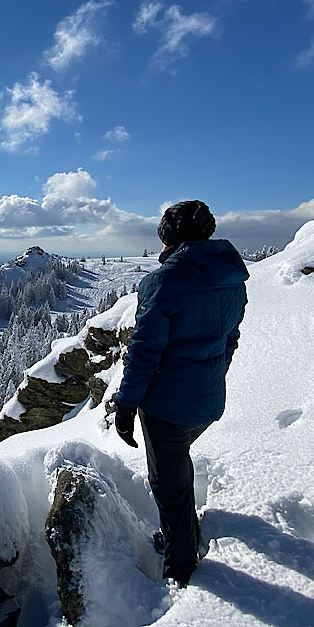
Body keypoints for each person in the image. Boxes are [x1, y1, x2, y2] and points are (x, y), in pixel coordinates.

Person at [109, 200, 248, 586]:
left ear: (169, 234)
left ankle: (180, 571)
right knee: (177, 468)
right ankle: (181, 531)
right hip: (208, 400)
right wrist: (210, 377)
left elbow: (144, 352)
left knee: (168, 486)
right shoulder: (232, 277)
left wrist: (126, 405)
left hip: (167, 407)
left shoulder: (164, 281)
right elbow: (230, 338)